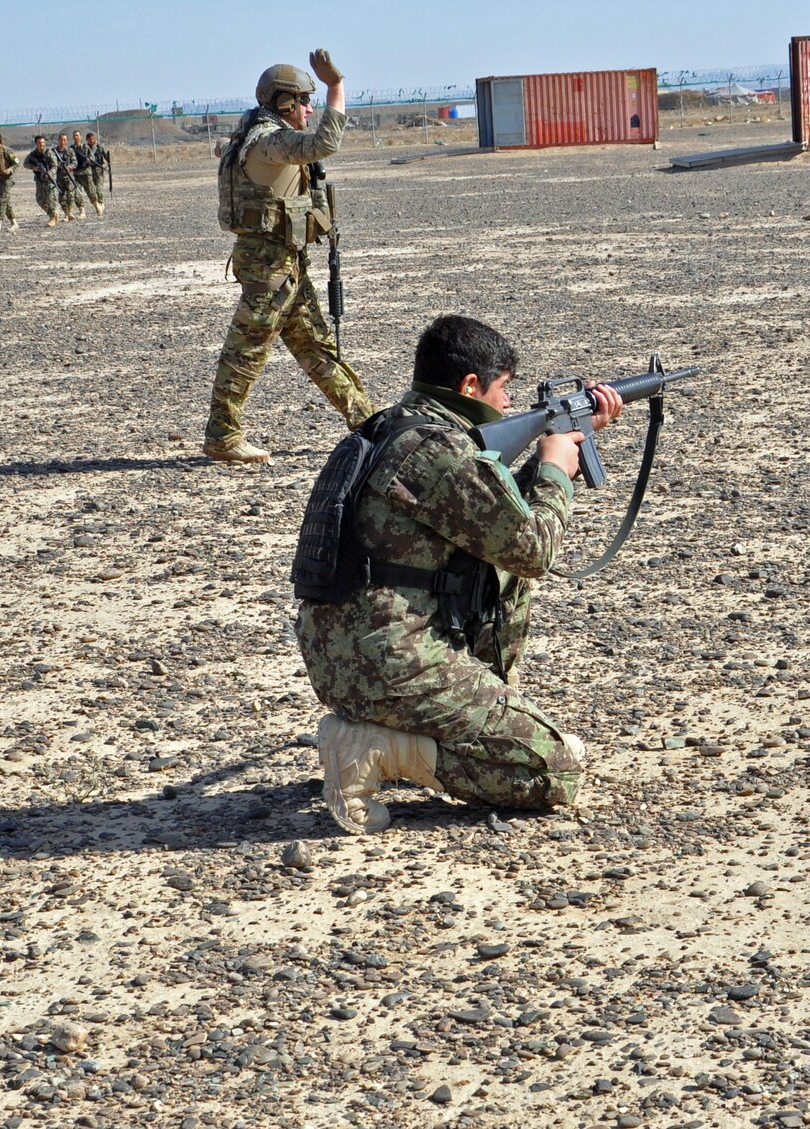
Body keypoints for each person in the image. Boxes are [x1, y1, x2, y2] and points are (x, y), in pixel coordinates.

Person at [297, 315, 620, 834]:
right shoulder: (440, 449)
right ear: (469, 386)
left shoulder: (395, 428)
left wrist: (570, 441)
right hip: (389, 666)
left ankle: (474, 724)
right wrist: (555, 468)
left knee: (499, 574)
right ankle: (378, 749)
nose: (509, 404)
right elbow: (533, 550)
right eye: (504, 388)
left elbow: (490, 518)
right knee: (553, 773)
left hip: (346, 659)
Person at [203, 50, 373, 464]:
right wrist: (336, 87)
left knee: (315, 344)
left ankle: (368, 421)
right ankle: (222, 435)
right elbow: (324, 143)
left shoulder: (252, 135)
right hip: (269, 266)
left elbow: (226, 150)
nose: (309, 109)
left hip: (283, 262)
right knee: (246, 350)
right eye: (304, 100)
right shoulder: (267, 140)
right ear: (283, 102)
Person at [23, 135, 59, 226]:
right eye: (39, 143)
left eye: (43, 142)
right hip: (39, 179)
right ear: (36, 144)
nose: (42, 144)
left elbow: (55, 166)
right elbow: (25, 164)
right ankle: (53, 213)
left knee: (51, 199)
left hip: (50, 179)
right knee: (40, 200)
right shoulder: (33, 154)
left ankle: (52, 219)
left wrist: (49, 173)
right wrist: (34, 168)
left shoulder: (49, 152)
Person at [54, 133, 82, 221]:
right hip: (59, 177)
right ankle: (66, 214)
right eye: (61, 140)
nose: (63, 142)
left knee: (71, 195)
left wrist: (70, 167)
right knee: (61, 197)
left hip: (69, 177)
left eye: (64, 140)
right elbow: (51, 162)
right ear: (58, 140)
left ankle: (70, 212)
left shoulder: (70, 151)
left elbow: (75, 162)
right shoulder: (54, 151)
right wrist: (59, 166)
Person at [81, 131, 109, 214]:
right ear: (87, 140)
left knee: (99, 188)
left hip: (99, 170)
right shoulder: (85, 149)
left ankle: (101, 203)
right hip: (90, 171)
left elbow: (107, 158)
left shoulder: (100, 148)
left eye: (93, 139)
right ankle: (97, 204)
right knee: (92, 189)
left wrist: (106, 165)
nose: (91, 140)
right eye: (90, 139)